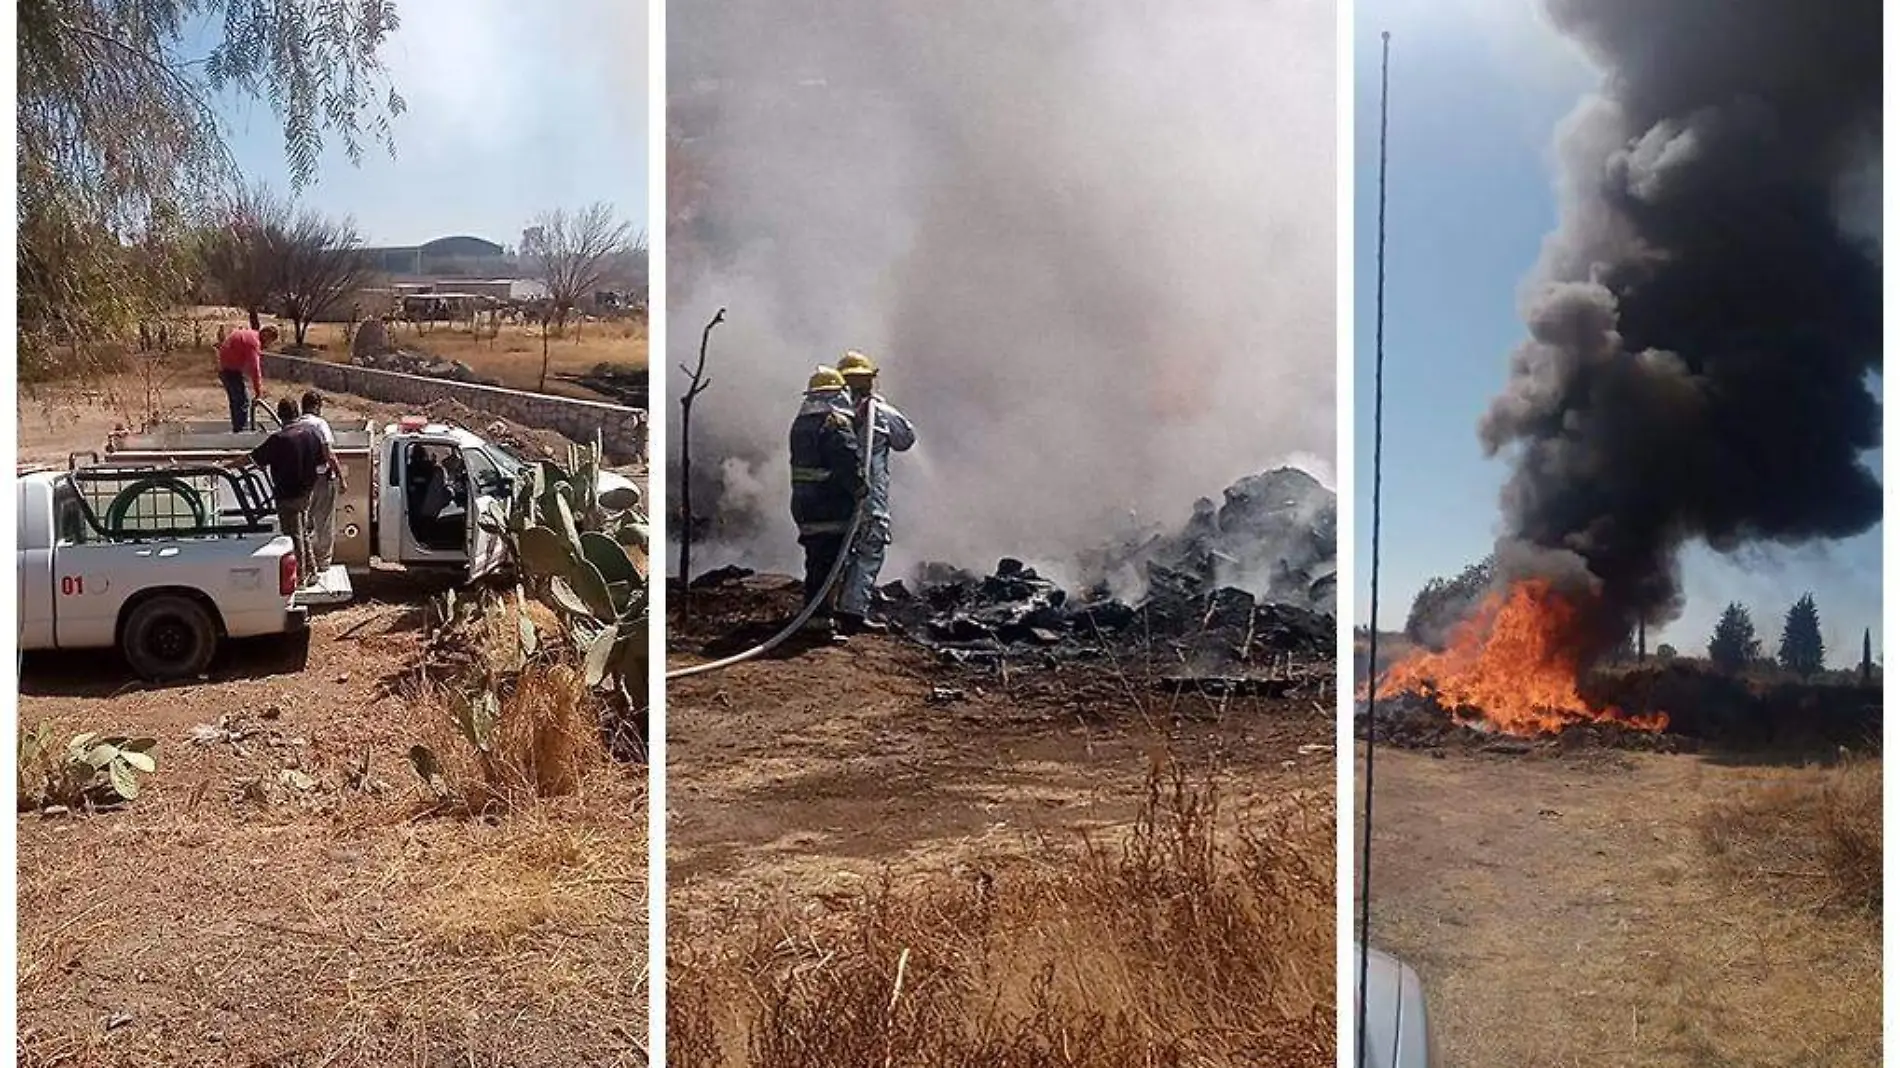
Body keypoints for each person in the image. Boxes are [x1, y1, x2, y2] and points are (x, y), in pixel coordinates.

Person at [833, 349, 916, 634]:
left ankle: (826, 609)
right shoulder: (879, 412)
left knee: (836, 551)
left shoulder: (831, 412)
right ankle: (852, 612)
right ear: (869, 380)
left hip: (834, 498)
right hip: (868, 498)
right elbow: (906, 438)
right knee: (870, 548)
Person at [788, 365, 865, 636]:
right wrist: (860, 488)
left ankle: (815, 618)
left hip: (804, 505)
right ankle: (822, 622)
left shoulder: (801, 424)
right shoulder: (836, 424)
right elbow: (846, 461)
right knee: (831, 563)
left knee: (816, 560)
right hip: (830, 504)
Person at [232, 397, 323, 584]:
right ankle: (312, 571)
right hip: (306, 492)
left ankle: (300, 577)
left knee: (292, 536)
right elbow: (321, 463)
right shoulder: (311, 434)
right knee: (303, 531)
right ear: (297, 413)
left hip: (287, 494)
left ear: (280, 416)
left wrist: (227, 466)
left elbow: (252, 458)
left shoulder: (279, 440)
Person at [292, 390, 349, 576]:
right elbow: (328, 453)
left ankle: (305, 564)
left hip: (301, 481)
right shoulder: (319, 424)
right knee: (324, 522)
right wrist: (341, 477)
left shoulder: (295, 425)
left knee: (304, 524)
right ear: (317, 406)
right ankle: (323, 563)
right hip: (322, 479)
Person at [217, 324, 277, 432]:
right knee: (242, 401)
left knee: (236, 400)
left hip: (225, 368)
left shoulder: (250, 334)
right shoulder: (254, 342)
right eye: (270, 341)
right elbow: (255, 368)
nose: (268, 345)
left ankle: (237, 427)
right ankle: (241, 431)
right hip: (230, 370)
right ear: (266, 335)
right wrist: (258, 391)